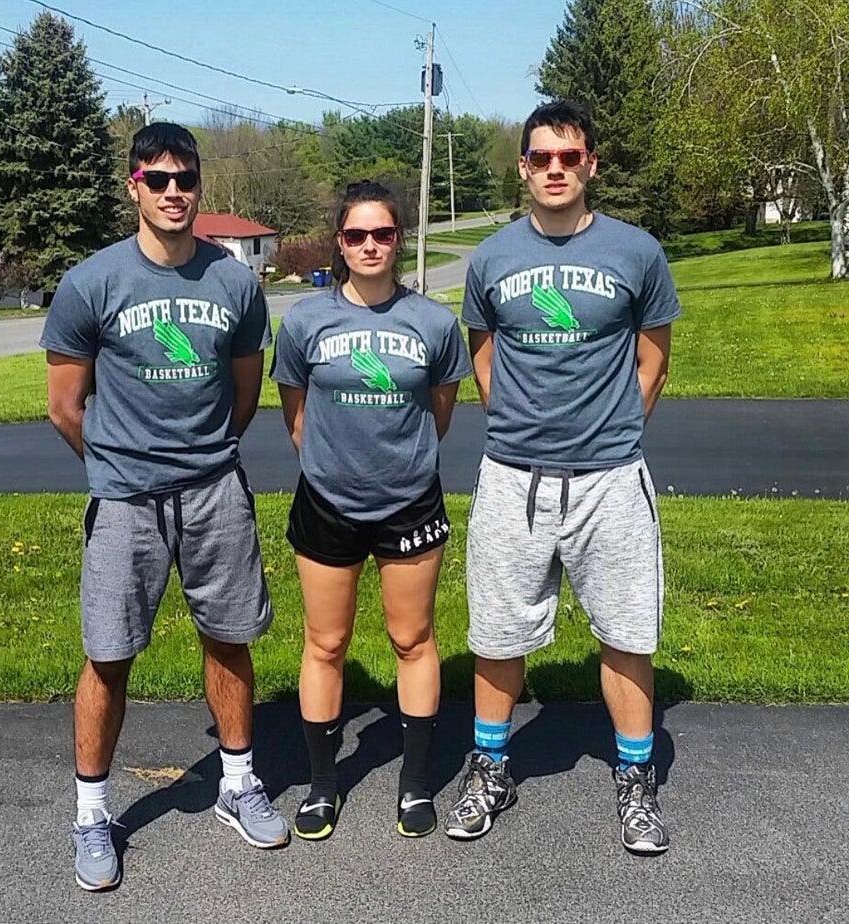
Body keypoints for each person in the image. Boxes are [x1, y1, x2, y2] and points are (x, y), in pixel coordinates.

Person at [41, 122, 289, 892]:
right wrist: (118, 466)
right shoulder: (92, 282)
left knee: (230, 637)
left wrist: (204, 456)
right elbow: (64, 405)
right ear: (134, 186)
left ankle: (237, 785)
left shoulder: (235, 284)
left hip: (214, 489)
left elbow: (244, 393)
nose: (173, 192)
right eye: (158, 179)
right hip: (125, 500)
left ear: (199, 187)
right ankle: (92, 815)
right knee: (108, 655)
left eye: (185, 179)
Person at [445, 100, 680, 854]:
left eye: (569, 157)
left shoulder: (636, 252)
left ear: (590, 165)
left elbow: (654, 358)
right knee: (496, 636)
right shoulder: (491, 259)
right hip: (514, 475)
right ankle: (490, 769)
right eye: (542, 157)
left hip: (612, 479)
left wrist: (612, 429)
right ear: (523, 166)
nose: (555, 169)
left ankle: (636, 784)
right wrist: (520, 424)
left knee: (627, 635)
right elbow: (484, 358)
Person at [270, 180, 471, 840]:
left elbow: (438, 411)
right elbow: (295, 413)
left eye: (382, 233)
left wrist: (398, 460)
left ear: (398, 238)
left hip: (410, 502)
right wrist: (333, 462)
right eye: (355, 235)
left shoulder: (434, 324)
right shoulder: (304, 321)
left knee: (412, 640)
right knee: (326, 643)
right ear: (339, 241)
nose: (369, 245)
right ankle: (325, 786)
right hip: (327, 503)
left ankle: (415, 785)